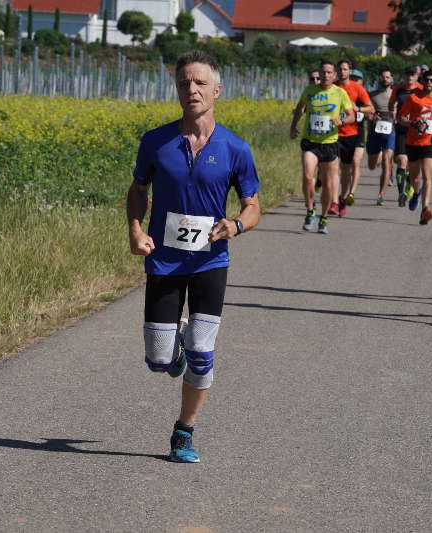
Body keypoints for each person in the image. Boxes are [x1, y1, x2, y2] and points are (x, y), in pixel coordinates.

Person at [127, 50, 261, 462]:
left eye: (200, 83)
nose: (192, 90)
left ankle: (184, 431)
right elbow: (137, 191)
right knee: (158, 360)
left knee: (203, 355)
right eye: (185, 83)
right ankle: (175, 350)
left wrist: (237, 225)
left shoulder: (235, 148)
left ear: (216, 90)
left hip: (209, 261)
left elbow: (253, 204)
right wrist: (135, 229)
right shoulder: (155, 141)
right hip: (164, 261)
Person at [290, 60, 354, 234]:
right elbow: (299, 108)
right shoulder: (310, 90)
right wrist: (293, 126)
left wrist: (341, 121)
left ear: (334, 75)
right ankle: (310, 211)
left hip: (330, 143)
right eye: (323, 72)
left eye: (329, 73)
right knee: (308, 175)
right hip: (310, 141)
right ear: (319, 73)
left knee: (327, 184)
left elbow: (351, 116)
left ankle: (324, 218)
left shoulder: (340, 93)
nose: (325, 75)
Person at [398, 72, 432, 224]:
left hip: (430, 143)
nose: (429, 82)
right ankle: (416, 193)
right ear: (422, 82)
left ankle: (425, 209)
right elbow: (401, 117)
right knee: (414, 177)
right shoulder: (413, 97)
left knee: (427, 175)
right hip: (413, 142)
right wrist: (413, 123)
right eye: (427, 80)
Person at [335, 61, 374, 216]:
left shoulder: (357, 88)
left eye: (345, 69)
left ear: (349, 71)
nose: (342, 71)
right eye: (340, 69)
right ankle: (336, 199)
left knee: (349, 166)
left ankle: (346, 196)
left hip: (353, 132)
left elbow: (371, 108)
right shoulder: (332, 87)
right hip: (333, 133)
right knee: (335, 168)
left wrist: (357, 108)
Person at [390, 65, 423, 207]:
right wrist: (393, 113)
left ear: (416, 76)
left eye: (412, 75)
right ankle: (401, 193)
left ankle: (411, 182)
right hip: (402, 129)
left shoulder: (422, 89)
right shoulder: (398, 89)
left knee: (413, 164)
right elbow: (391, 104)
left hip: (417, 131)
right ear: (403, 76)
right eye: (407, 75)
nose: (409, 77)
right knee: (402, 161)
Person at [367, 68, 396, 205]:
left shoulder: (395, 95)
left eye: (388, 77)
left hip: (390, 132)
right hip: (375, 132)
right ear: (380, 79)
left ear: (392, 79)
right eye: (383, 77)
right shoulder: (371, 95)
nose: (385, 79)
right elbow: (366, 113)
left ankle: (381, 194)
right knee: (372, 166)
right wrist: (372, 116)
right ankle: (376, 156)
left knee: (386, 162)